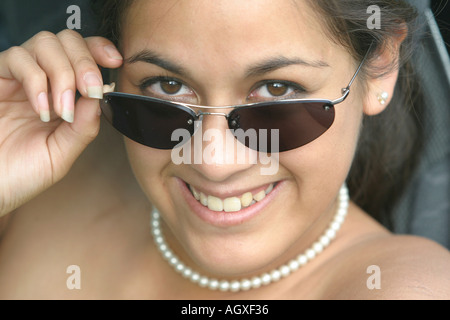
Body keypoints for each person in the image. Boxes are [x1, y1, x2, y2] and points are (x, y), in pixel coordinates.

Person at [0, 0, 449, 300]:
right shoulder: (54, 170)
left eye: (277, 90)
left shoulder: (408, 289)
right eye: (169, 86)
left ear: (379, 67)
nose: (215, 161)